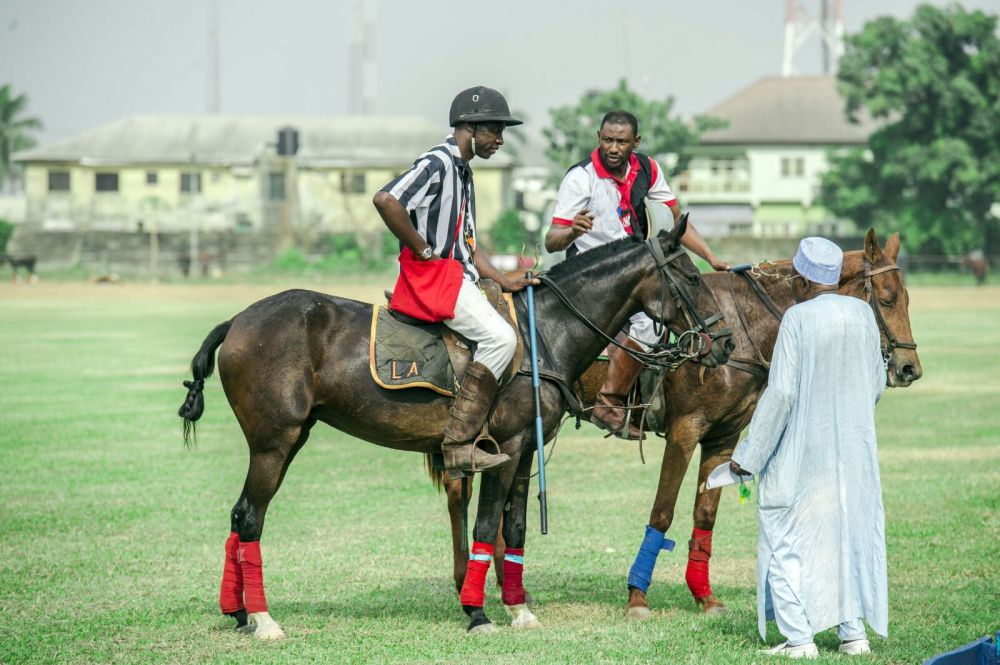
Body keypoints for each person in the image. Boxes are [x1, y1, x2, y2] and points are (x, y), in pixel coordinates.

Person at [729, 237, 888, 658]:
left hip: (801, 454)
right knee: (845, 536)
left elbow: (780, 395)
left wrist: (749, 457)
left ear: (801, 281)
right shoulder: (863, 315)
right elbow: (876, 385)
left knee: (785, 534)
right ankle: (853, 635)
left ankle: (799, 639)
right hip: (853, 452)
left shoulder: (797, 319)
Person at [373, 85, 537, 477]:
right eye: (494, 130)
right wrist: (423, 249)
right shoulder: (439, 161)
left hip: (456, 275)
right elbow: (386, 200)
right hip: (435, 278)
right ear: (469, 126)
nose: (499, 139)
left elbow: (469, 244)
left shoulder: (463, 171)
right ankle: (460, 442)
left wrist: (504, 280)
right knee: (502, 339)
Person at [544, 110, 730, 439]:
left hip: (631, 272)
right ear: (598, 138)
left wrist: (711, 257)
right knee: (650, 318)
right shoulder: (580, 178)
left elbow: (676, 223)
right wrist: (573, 230)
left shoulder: (648, 169)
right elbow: (552, 240)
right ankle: (609, 401)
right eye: (607, 140)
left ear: (636, 142)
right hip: (590, 277)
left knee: (672, 306)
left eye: (621, 142)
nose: (613, 148)